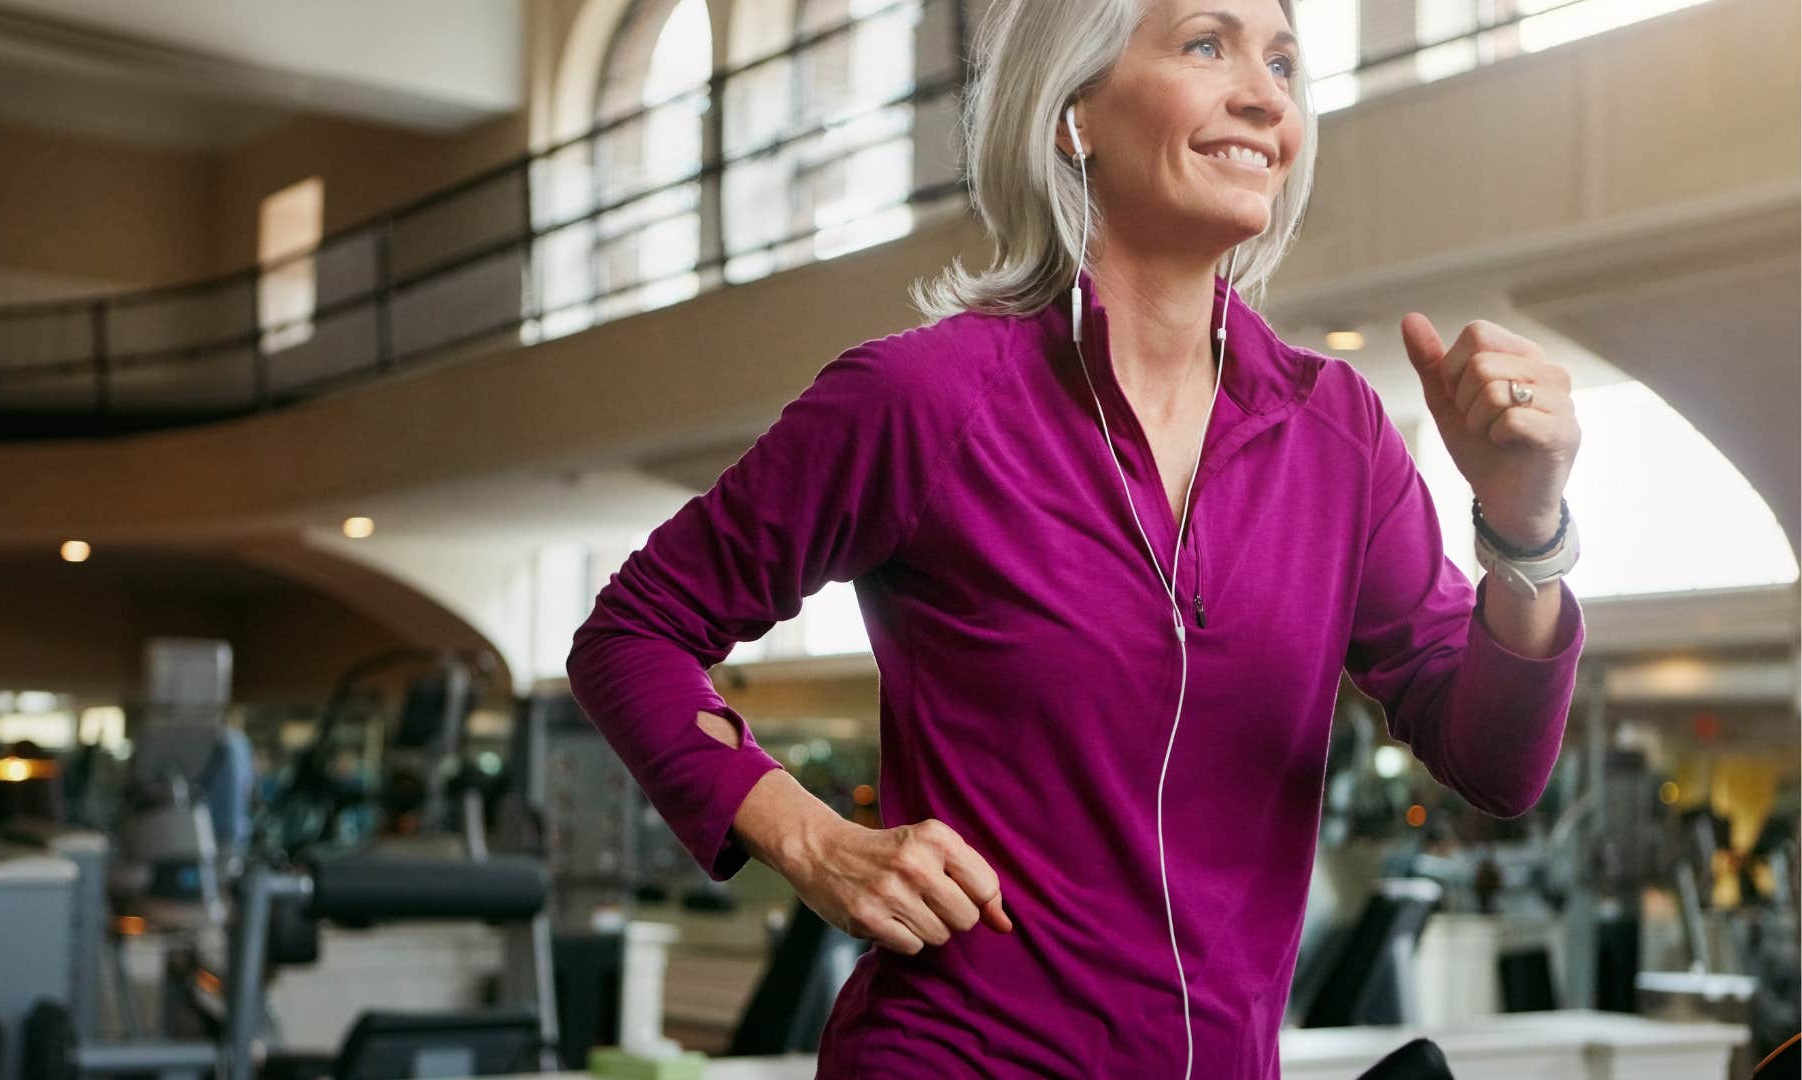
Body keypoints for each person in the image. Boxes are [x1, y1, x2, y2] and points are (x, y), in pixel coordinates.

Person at [566, 0, 1586, 1074]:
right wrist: (809, 838)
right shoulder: (925, 401)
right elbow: (633, 633)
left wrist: (1524, 530)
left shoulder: (1338, 436)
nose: (1264, 95)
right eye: (1207, 44)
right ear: (1073, 114)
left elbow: (1496, 766)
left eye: (1283, 62)